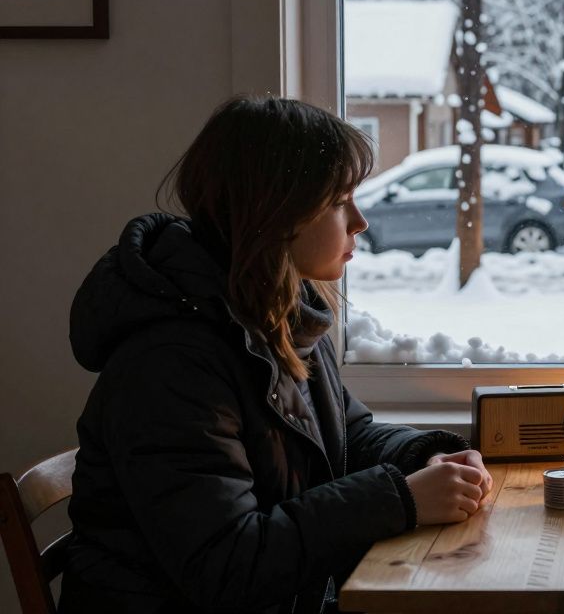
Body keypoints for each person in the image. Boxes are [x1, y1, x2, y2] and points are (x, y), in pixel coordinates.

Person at [59, 97, 494, 613]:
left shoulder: (278, 317)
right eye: (339, 201)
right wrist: (400, 498)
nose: (360, 221)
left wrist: (427, 456)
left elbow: (346, 438)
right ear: (274, 211)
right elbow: (227, 566)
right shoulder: (171, 362)